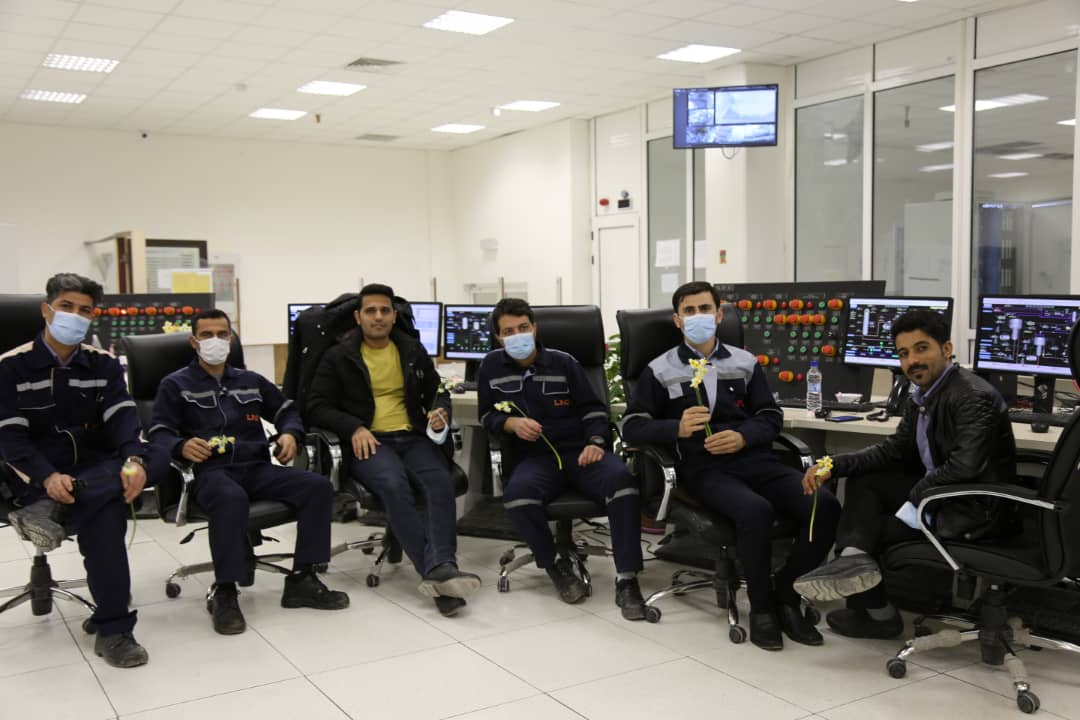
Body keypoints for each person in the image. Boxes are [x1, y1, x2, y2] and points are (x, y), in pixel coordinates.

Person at [621, 281, 840, 651]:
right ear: (677, 320)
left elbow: (770, 415)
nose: (698, 317)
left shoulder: (744, 362)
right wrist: (675, 427)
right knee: (755, 510)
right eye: (689, 311)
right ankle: (762, 609)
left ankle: (786, 594)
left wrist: (743, 436)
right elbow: (631, 425)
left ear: (719, 314)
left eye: (705, 309)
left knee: (826, 504)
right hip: (704, 470)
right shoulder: (660, 369)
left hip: (755, 459)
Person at [794, 309, 1017, 639]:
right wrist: (832, 465)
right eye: (904, 353)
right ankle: (852, 562)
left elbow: (963, 468)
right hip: (943, 496)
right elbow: (893, 451)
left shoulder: (972, 396)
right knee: (865, 482)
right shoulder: (924, 396)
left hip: (973, 511)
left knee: (870, 531)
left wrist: (912, 502)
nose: (912, 361)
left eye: (921, 348)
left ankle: (877, 610)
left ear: (946, 349)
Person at [149, 309, 349, 635]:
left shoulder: (250, 380)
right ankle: (225, 591)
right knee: (231, 498)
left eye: (222, 334)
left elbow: (287, 410)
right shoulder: (175, 385)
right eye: (206, 335)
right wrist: (180, 445)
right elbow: (158, 432)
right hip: (210, 472)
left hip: (256, 467)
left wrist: (289, 433)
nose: (215, 341)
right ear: (194, 342)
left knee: (317, 487)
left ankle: (303, 579)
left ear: (231, 339)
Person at [0, 273, 154, 667]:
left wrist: (134, 460)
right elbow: (10, 438)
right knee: (107, 513)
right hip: (34, 474)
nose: (75, 315)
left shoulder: (102, 363)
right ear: (46, 310)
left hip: (92, 469)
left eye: (85, 310)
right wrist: (47, 477)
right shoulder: (11, 366)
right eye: (66, 306)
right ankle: (114, 629)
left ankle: (53, 511)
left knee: (150, 460)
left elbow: (123, 418)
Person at [305, 284, 480, 617]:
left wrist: (440, 411)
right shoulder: (338, 356)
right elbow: (316, 406)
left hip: (412, 437)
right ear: (358, 317)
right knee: (394, 485)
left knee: (440, 483)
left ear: (394, 316)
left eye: (385, 310)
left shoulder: (411, 349)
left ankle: (442, 566)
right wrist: (353, 427)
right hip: (370, 440)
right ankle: (437, 574)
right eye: (370, 310)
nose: (378, 316)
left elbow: (437, 391)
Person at [476, 299, 648, 619]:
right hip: (533, 458)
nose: (517, 335)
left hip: (580, 452)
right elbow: (486, 415)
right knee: (518, 497)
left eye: (523, 327)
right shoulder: (491, 367)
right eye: (508, 331)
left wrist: (596, 442)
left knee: (623, 484)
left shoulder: (564, 362)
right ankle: (555, 565)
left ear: (534, 328)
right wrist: (510, 423)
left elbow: (594, 409)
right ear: (498, 337)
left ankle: (627, 579)